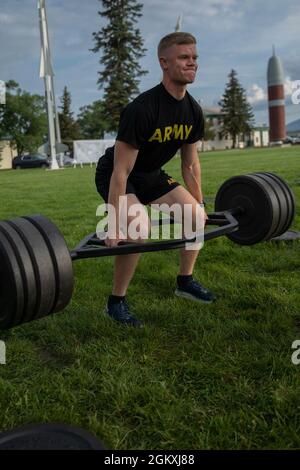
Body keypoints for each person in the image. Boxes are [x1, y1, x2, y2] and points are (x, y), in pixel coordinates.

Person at [95, 32, 216, 328]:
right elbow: (121, 172)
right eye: (184, 58)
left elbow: (190, 165)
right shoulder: (142, 109)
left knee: (195, 219)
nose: (192, 64)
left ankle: (184, 282)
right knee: (138, 230)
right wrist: (113, 222)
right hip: (117, 174)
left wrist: (200, 202)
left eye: (195, 58)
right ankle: (115, 303)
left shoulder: (193, 111)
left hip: (151, 175)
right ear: (164, 62)